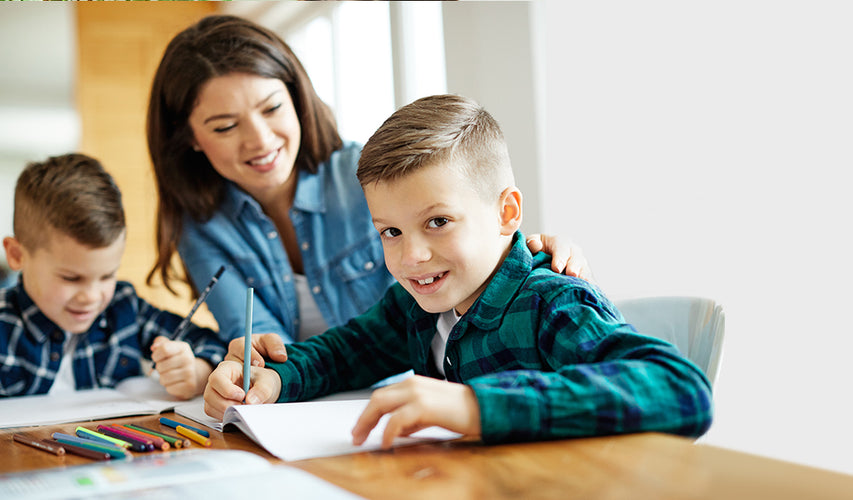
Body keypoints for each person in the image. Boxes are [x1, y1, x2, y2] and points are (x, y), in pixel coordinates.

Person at [203, 95, 712, 447]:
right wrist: (272, 378)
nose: (411, 257)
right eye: (390, 232)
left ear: (507, 213)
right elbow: (344, 353)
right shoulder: (415, 303)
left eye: (438, 222)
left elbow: (679, 388)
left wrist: (473, 407)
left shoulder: (552, 303)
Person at [145, 15, 589, 347]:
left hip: (413, 393)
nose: (260, 140)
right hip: (307, 401)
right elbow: (262, 346)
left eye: (272, 109)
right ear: (191, 140)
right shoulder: (200, 223)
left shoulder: (368, 177)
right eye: (225, 127)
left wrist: (527, 252)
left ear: (297, 100)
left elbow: (467, 255)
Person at [0, 154, 226, 399]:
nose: (91, 297)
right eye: (71, 278)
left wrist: (196, 372)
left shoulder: (124, 307)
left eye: (107, 275)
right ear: (16, 255)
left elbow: (213, 345)